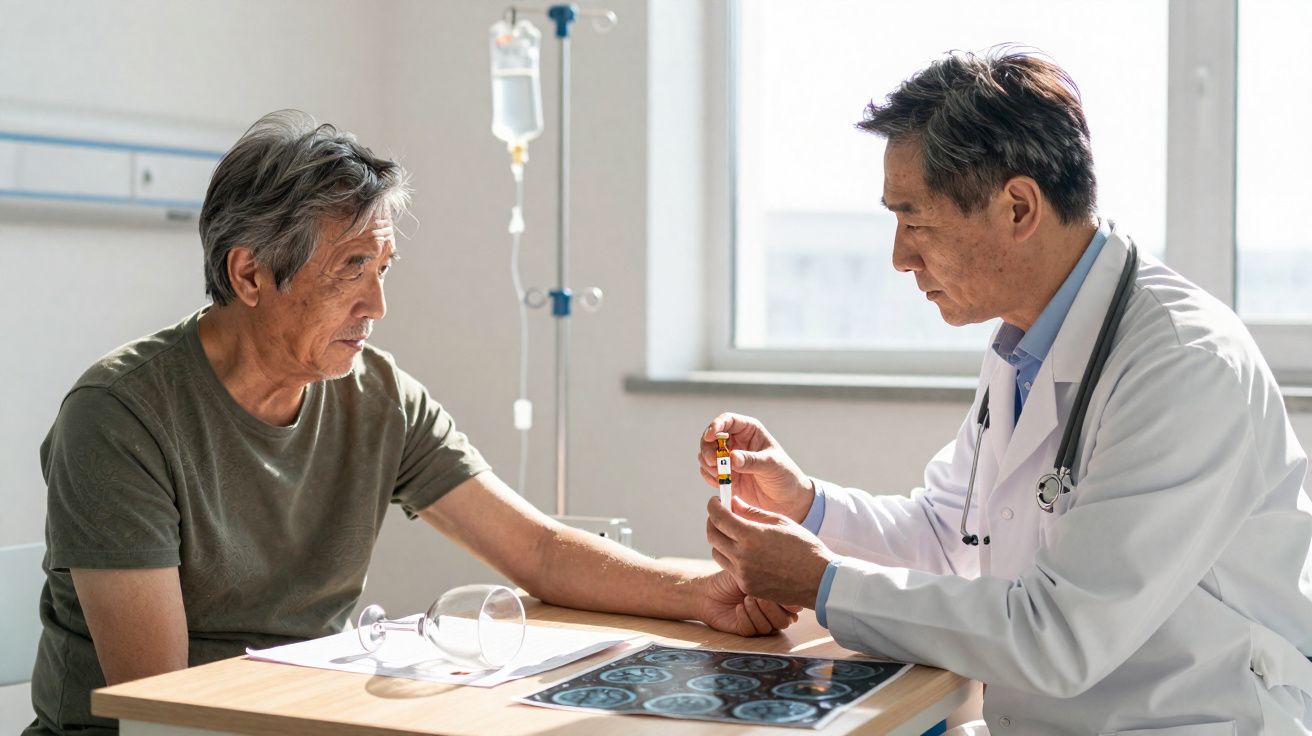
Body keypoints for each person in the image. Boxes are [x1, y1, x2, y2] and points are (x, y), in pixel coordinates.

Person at [27, 110, 796, 736]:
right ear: (250, 273)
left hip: (307, 719)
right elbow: (159, 705)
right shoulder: (120, 417)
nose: (377, 306)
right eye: (350, 270)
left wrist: (700, 591)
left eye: (383, 267)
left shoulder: (377, 395)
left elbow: (534, 549)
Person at [701, 50, 1312, 735]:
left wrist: (821, 583)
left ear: (1018, 207)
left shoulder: (1184, 366)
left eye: (915, 221)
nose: (900, 257)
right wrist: (806, 505)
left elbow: (1061, 636)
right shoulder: (1028, 342)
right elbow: (952, 536)